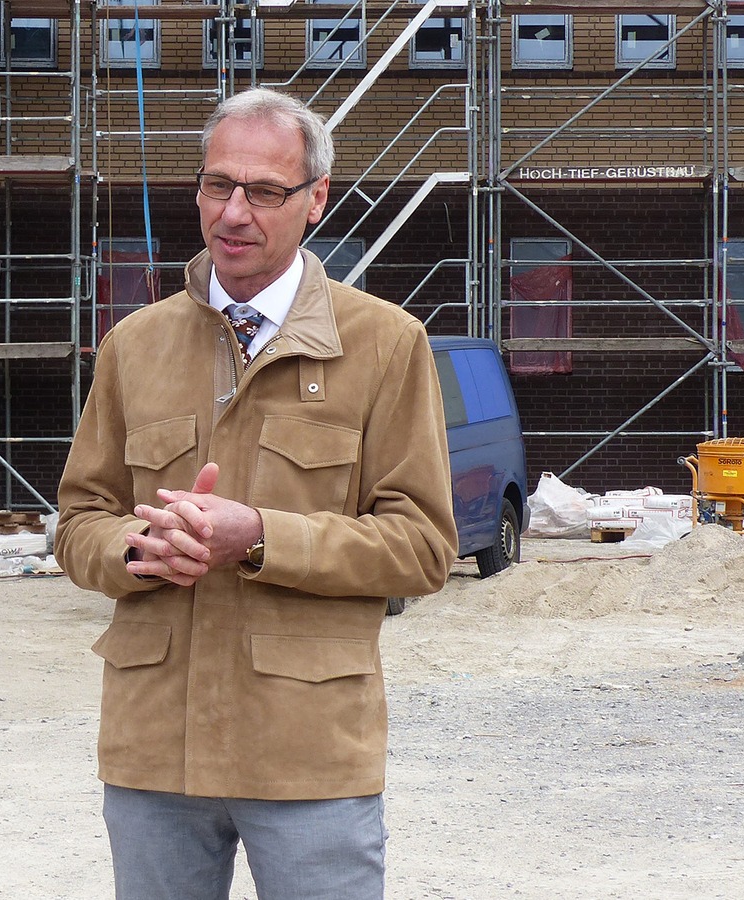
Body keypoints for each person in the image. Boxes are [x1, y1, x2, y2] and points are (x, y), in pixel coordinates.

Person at [54, 88, 458, 900]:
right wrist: (134, 550)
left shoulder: (384, 344)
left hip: (307, 752)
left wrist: (261, 538)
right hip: (154, 747)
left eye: (264, 192)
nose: (233, 213)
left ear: (315, 201)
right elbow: (76, 521)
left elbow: (421, 545)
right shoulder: (134, 346)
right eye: (217, 186)